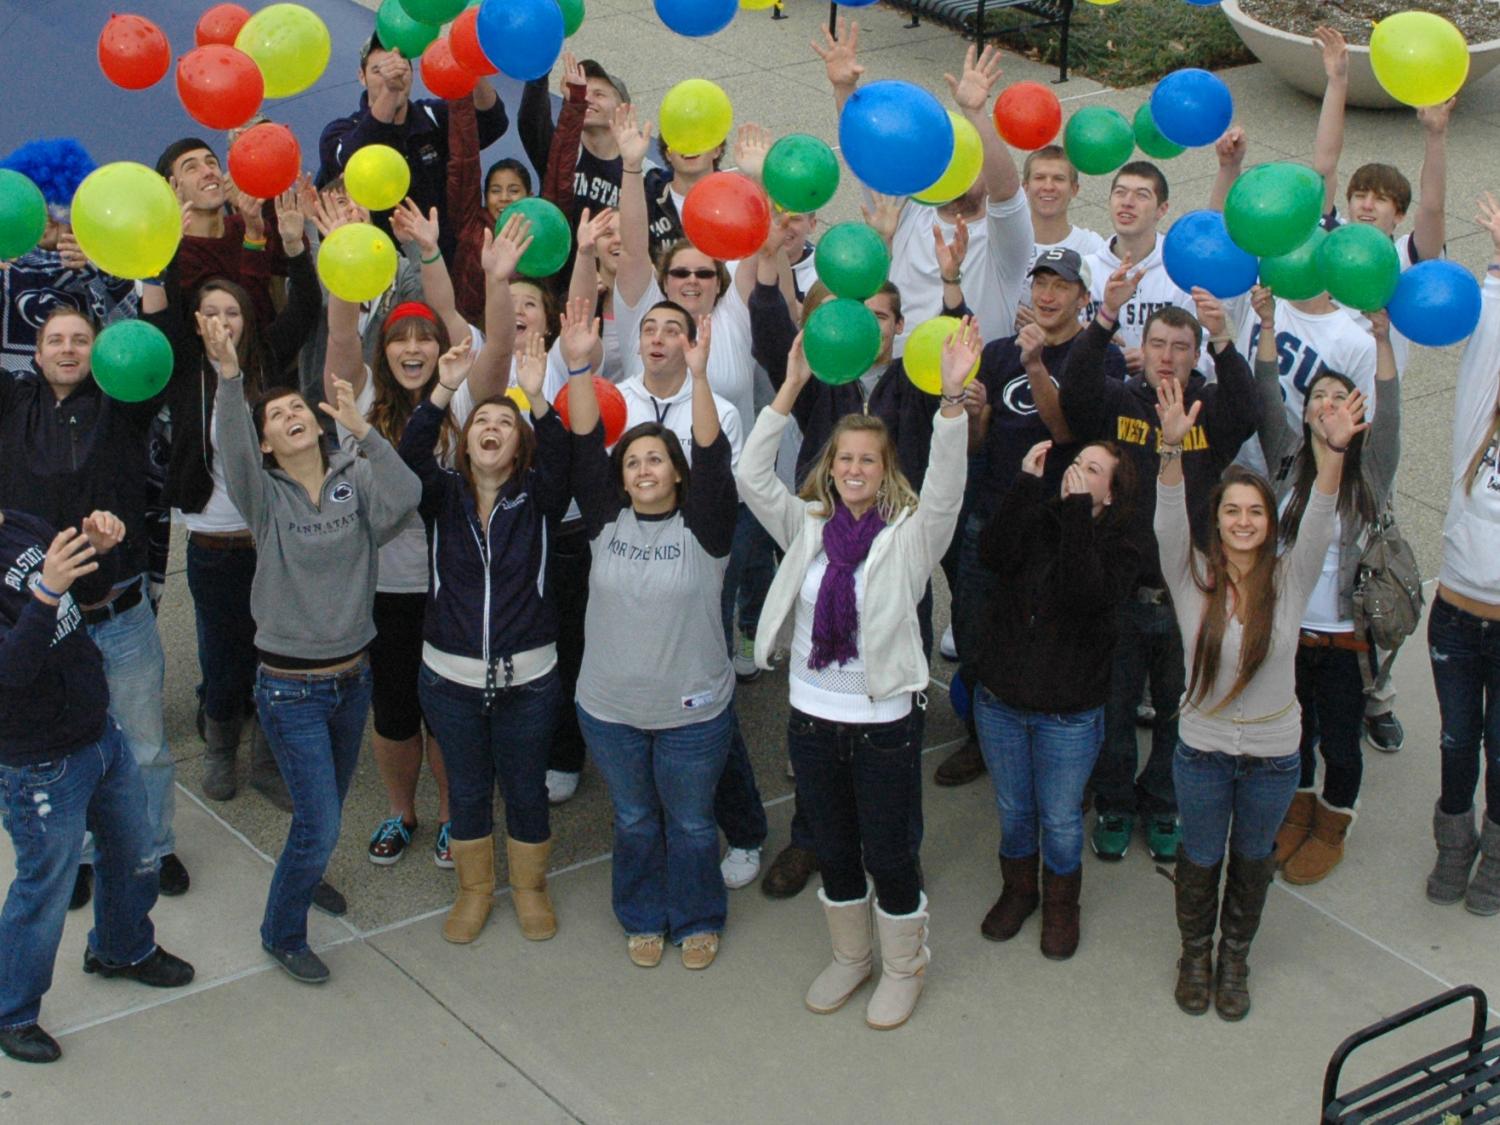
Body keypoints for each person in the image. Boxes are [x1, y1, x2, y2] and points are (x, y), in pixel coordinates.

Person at [737, 320, 977, 1030]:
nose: (854, 470)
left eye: (868, 460)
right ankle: (851, 956)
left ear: (885, 467)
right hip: (812, 718)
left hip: (882, 726)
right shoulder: (806, 526)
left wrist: (955, 403)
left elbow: (946, 493)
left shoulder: (908, 538)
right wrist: (787, 390)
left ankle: (904, 963)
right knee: (834, 847)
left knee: (890, 851)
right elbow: (752, 476)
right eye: (845, 458)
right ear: (830, 464)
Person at [205, 310, 420, 984]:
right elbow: (231, 448)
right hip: (290, 688)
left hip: (351, 678)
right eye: (279, 416)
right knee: (322, 817)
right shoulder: (263, 495)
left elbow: (408, 498)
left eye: (300, 407)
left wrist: (366, 435)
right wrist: (232, 378)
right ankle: (283, 929)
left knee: (315, 808)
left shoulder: (353, 481)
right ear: (267, 444)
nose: (292, 415)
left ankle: (306, 870)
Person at [324, 205, 526, 868]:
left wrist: (486, 277)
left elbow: (494, 349)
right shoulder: (358, 402)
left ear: (441, 352)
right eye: (399, 342)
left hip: (452, 585)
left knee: (447, 714)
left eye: (424, 340)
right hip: (384, 587)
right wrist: (340, 274)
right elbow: (341, 349)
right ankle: (400, 809)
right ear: (384, 352)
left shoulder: (461, 401)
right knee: (393, 711)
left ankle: (449, 815)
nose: (412, 349)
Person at [1155, 373, 1361, 1022]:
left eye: (1255, 511)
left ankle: (1235, 955)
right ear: (1215, 521)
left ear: (1270, 522)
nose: (1243, 521)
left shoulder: (1292, 577)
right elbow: (1165, 517)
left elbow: (1324, 511)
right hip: (1203, 753)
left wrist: (1333, 452)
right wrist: (1169, 450)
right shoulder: (1192, 577)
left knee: (1251, 859)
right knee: (1201, 854)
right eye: (1231, 511)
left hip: (1275, 757)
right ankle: (1195, 954)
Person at [1059, 266, 1261, 865]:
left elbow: (1248, 409)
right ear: (1140, 352)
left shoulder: (1209, 410)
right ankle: (1116, 803)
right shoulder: (1120, 403)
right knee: (1116, 708)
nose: (1168, 358)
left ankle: (1165, 802)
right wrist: (1101, 321)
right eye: (1157, 346)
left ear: (1195, 355)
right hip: (1121, 590)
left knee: (1178, 709)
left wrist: (1226, 341)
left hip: (1189, 595)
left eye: (1181, 347)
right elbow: (1076, 394)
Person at [566, 306, 740, 971]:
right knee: (636, 820)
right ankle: (640, 914)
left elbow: (715, 459)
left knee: (694, 824)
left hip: (692, 715)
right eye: (633, 459)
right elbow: (585, 447)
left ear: (675, 471)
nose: (643, 468)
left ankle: (697, 915)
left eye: (656, 459)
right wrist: (580, 365)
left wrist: (697, 377)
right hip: (609, 712)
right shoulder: (605, 523)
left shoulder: (706, 531)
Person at [143, 189, 321, 816]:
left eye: (233, 311)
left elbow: (306, 304)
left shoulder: (269, 360)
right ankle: (221, 742)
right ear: (196, 321)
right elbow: (158, 311)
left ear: (248, 318)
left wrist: (296, 248)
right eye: (209, 311)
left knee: (277, 656)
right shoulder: (182, 366)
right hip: (214, 545)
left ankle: (270, 757)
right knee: (222, 658)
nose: (222, 320)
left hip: (273, 540)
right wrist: (159, 242)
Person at [0, 308, 187, 899]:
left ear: (100, 353)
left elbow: (163, 340)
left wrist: (153, 272)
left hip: (118, 612)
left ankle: (155, 849)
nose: (68, 348)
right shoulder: (11, 405)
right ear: (34, 353)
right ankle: (80, 856)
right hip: (49, 625)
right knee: (67, 745)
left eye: (81, 339)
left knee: (145, 744)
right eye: (54, 339)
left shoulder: (120, 405)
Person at [0, 509, 195, 1065]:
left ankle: (122, 949)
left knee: (134, 853)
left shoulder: (19, 523)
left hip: (100, 734)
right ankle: (11, 1011)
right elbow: (11, 670)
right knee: (44, 889)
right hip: (39, 766)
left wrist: (96, 548)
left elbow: (84, 595)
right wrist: (44, 592)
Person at [398, 329, 571, 946]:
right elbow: (410, 455)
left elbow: (566, 457)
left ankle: (529, 888)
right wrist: (444, 388)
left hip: (529, 681)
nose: (491, 426)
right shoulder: (440, 497)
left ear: (518, 443)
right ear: (466, 444)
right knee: (467, 790)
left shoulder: (540, 498)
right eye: (482, 422)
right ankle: (474, 891)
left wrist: (535, 398)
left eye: (505, 422)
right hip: (450, 680)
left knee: (525, 788)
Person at [1308, 23, 1453, 755]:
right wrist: (1337, 80)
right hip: (1317, 427)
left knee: (1376, 572)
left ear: (1394, 216)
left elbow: (1433, 211)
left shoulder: (1406, 261)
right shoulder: (1329, 247)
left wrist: (1434, 138)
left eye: (1379, 200)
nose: (1365, 205)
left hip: (1376, 443)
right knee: (1310, 564)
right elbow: (1323, 169)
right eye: (1361, 197)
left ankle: (1376, 692)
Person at [942, 248, 1124, 790]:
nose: (1047, 295)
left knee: (1060, 638)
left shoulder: (1098, 359)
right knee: (976, 632)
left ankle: (1071, 758)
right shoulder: (1000, 353)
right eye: (1040, 283)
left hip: (1061, 525)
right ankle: (981, 738)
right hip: (997, 514)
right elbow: (981, 444)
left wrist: (1036, 365)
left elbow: (1067, 431)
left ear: (1082, 298)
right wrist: (975, 414)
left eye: (1060, 286)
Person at [1250, 287, 1400, 886]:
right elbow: (1265, 394)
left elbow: (1392, 409)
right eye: (1318, 396)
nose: (1329, 404)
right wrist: (1264, 325)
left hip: (1345, 640)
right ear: (1305, 409)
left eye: (1341, 397)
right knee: (1296, 732)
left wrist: (1384, 340)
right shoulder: (1286, 458)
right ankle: (1298, 809)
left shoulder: (1372, 469)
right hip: (1291, 631)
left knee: (1339, 739)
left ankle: (1334, 823)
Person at [972, 437, 1138, 958]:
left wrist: (1076, 518)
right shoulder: (1040, 517)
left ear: (1109, 495)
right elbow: (992, 554)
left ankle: (1063, 904)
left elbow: (1084, 594)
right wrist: (1024, 484)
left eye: (1093, 469)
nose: (1077, 472)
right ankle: (1019, 890)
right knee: (1013, 808)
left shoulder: (1121, 546)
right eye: (1076, 463)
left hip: (1067, 716)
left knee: (1061, 817)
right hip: (1002, 701)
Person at [816, 29, 1032, 350]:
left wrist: (974, 112)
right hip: (900, 381)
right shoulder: (907, 209)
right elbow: (872, 154)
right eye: (948, 161)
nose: (956, 172)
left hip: (974, 388)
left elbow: (1006, 190)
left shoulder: (1003, 242)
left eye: (968, 163)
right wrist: (844, 88)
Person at [1425, 200, 1500, 917]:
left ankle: (1498, 852)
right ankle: (1454, 841)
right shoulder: (1478, 431)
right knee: (1455, 741)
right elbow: (1487, 348)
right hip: (1454, 616)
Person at [316, 34, 507, 263]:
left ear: (411, 74)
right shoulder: (340, 131)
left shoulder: (432, 116)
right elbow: (349, 159)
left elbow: (492, 123)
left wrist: (473, 67)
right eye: (379, 71)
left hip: (441, 266)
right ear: (361, 77)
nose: (392, 75)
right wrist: (389, 91)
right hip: (372, 269)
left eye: (400, 69)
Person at [156, 137, 290, 327]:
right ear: (173, 188)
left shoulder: (246, 223)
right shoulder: (176, 256)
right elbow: (242, 321)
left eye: (211, 163)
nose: (208, 172)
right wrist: (253, 239)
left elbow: (294, 267)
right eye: (191, 168)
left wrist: (257, 192)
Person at [1015, 145, 1106, 329]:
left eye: (1058, 179)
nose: (1048, 186)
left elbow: (1107, 309)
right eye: (1040, 178)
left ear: (1074, 189)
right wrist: (1008, 309)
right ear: (1025, 187)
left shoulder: (1092, 246)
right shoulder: (1006, 242)